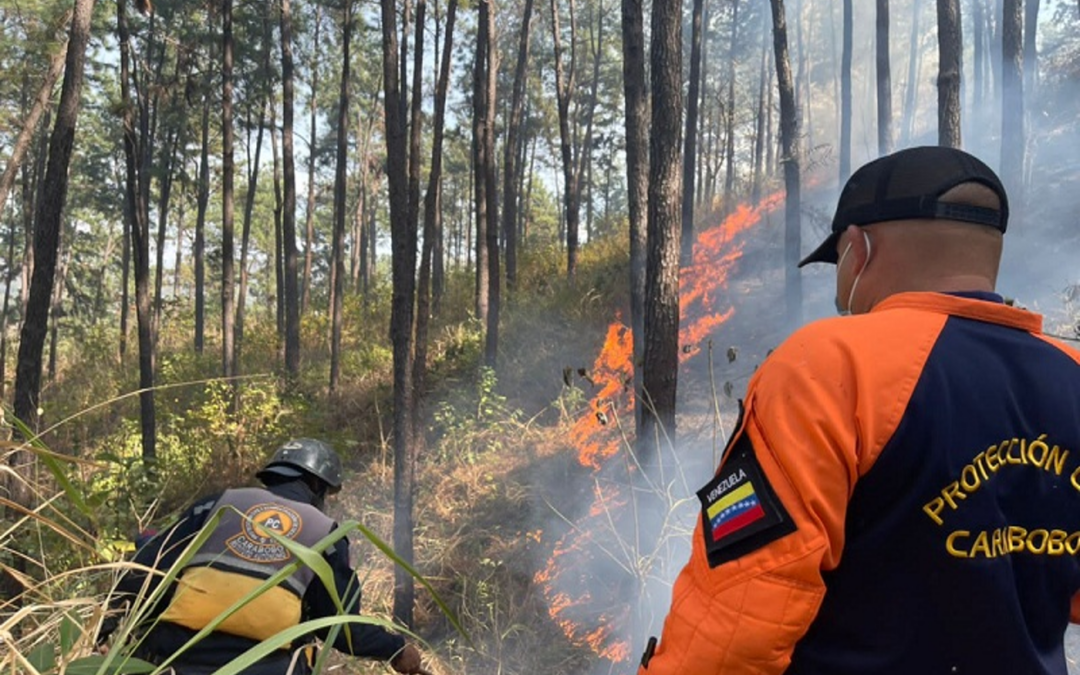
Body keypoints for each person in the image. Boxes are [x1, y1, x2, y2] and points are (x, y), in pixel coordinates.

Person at [637, 146, 1080, 674]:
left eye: (839, 264)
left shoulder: (829, 365)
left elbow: (739, 618)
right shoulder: (1070, 372)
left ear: (858, 248)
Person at [103, 438, 429, 675]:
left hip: (172, 659)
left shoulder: (216, 505)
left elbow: (144, 568)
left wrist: (102, 632)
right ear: (316, 485)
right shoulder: (327, 533)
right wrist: (395, 649)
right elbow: (342, 629)